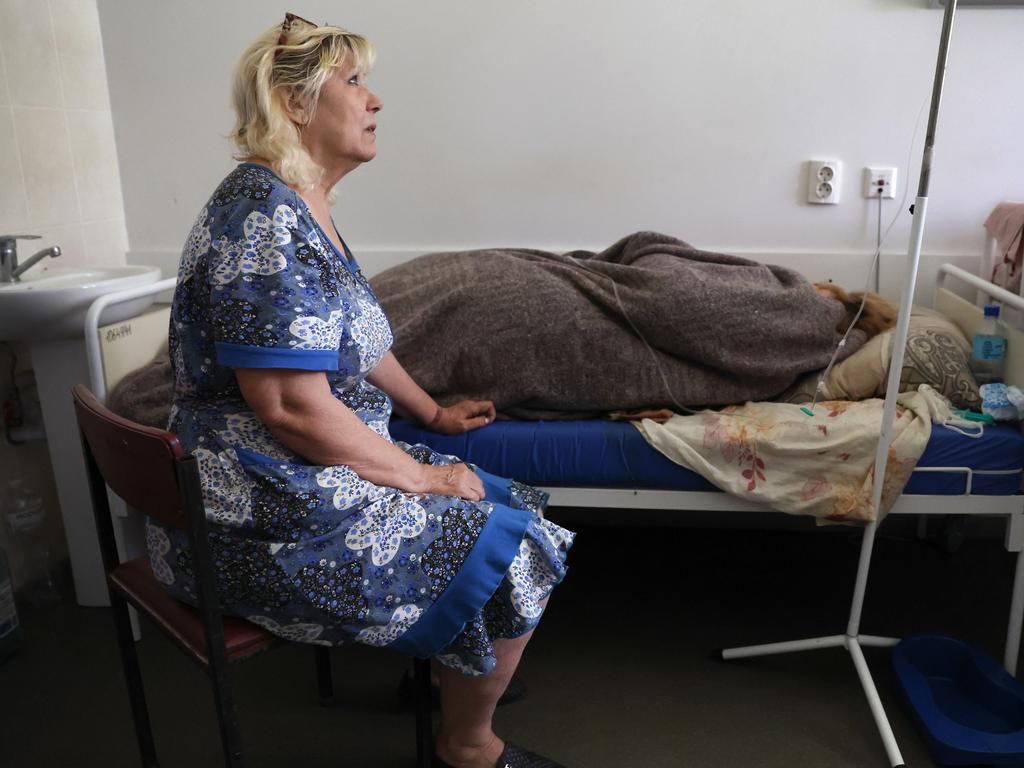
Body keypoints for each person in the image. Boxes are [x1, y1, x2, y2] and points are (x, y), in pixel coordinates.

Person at [150, 13, 574, 768]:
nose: (375, 101)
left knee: (513, 499)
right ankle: (468, 745)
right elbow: (288, 406)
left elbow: (361, 343)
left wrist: (432, 415)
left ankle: (452, 663)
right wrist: (420, 472)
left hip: (284, 478)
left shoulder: (301, 205)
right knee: (518, 544)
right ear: (294, 104)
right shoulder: (264, 217)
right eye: (354, 83)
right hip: (258, 510)